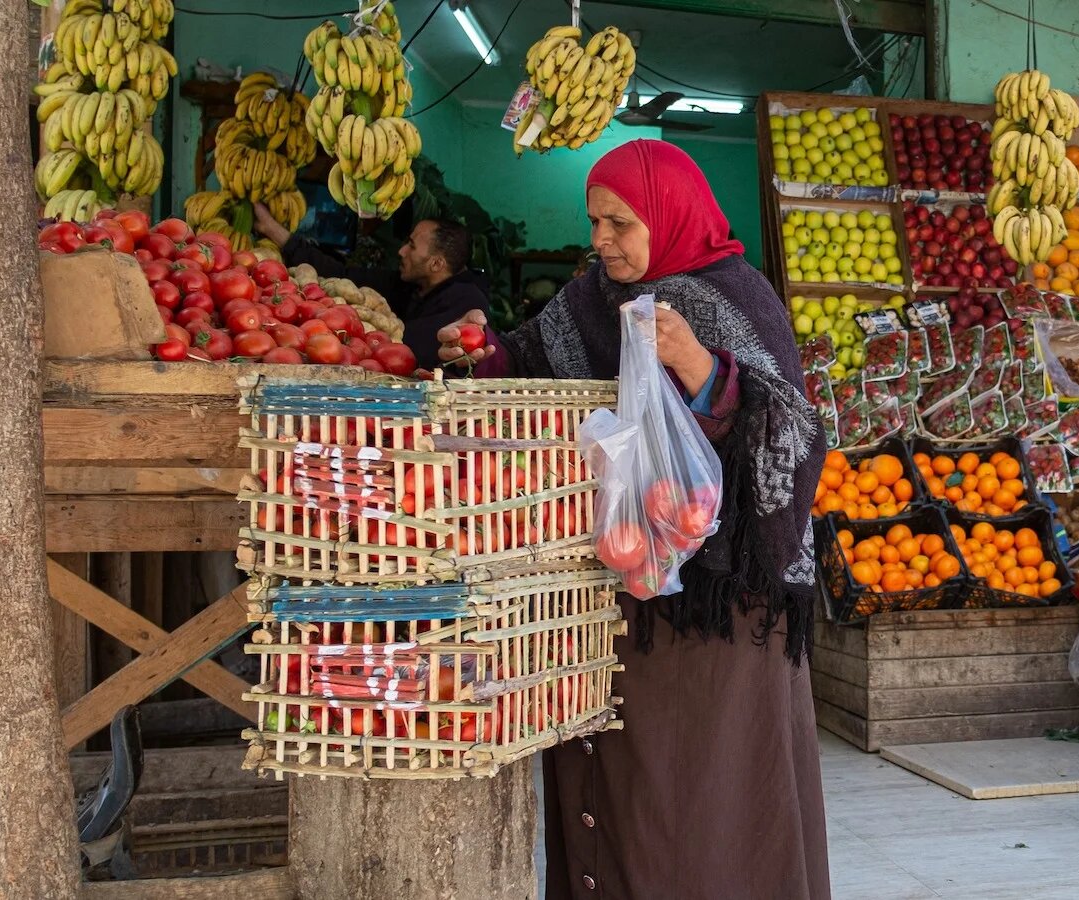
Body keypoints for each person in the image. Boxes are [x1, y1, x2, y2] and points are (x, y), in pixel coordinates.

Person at [437, 139, 830, 900]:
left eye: (619, 222)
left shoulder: (734, 297)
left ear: (667, 215)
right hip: (615, 591)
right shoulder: (591, 298)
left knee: (697, 809)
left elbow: (796, 436)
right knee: (616, 795)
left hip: (717, 616)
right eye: (594, 222)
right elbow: (529, 361)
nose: (600, 241)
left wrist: (701, 368)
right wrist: (481, 349)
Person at [252, 203, 490, 367]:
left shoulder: (466, 302)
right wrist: (273, 230)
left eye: (411, 246)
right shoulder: (409, 283)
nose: (401, 251)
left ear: (436, 264)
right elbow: (341, 275)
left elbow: (404, 350)